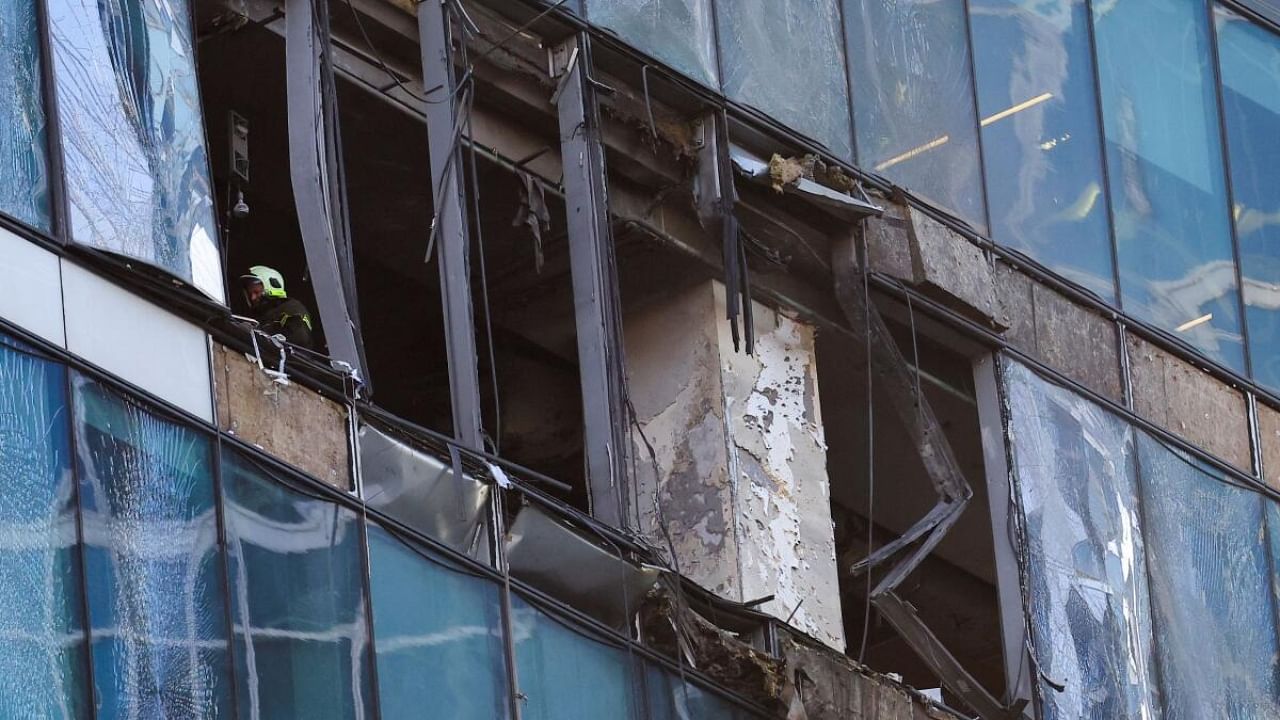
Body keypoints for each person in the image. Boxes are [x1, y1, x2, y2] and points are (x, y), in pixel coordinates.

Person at [240, 265, 315, 350]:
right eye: (250, 294)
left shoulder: (291, 307)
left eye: (256, 292)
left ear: (271, 285)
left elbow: (300, 336)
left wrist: (262, 334)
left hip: (290, 362)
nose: (252, 298)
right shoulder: (258, 317)